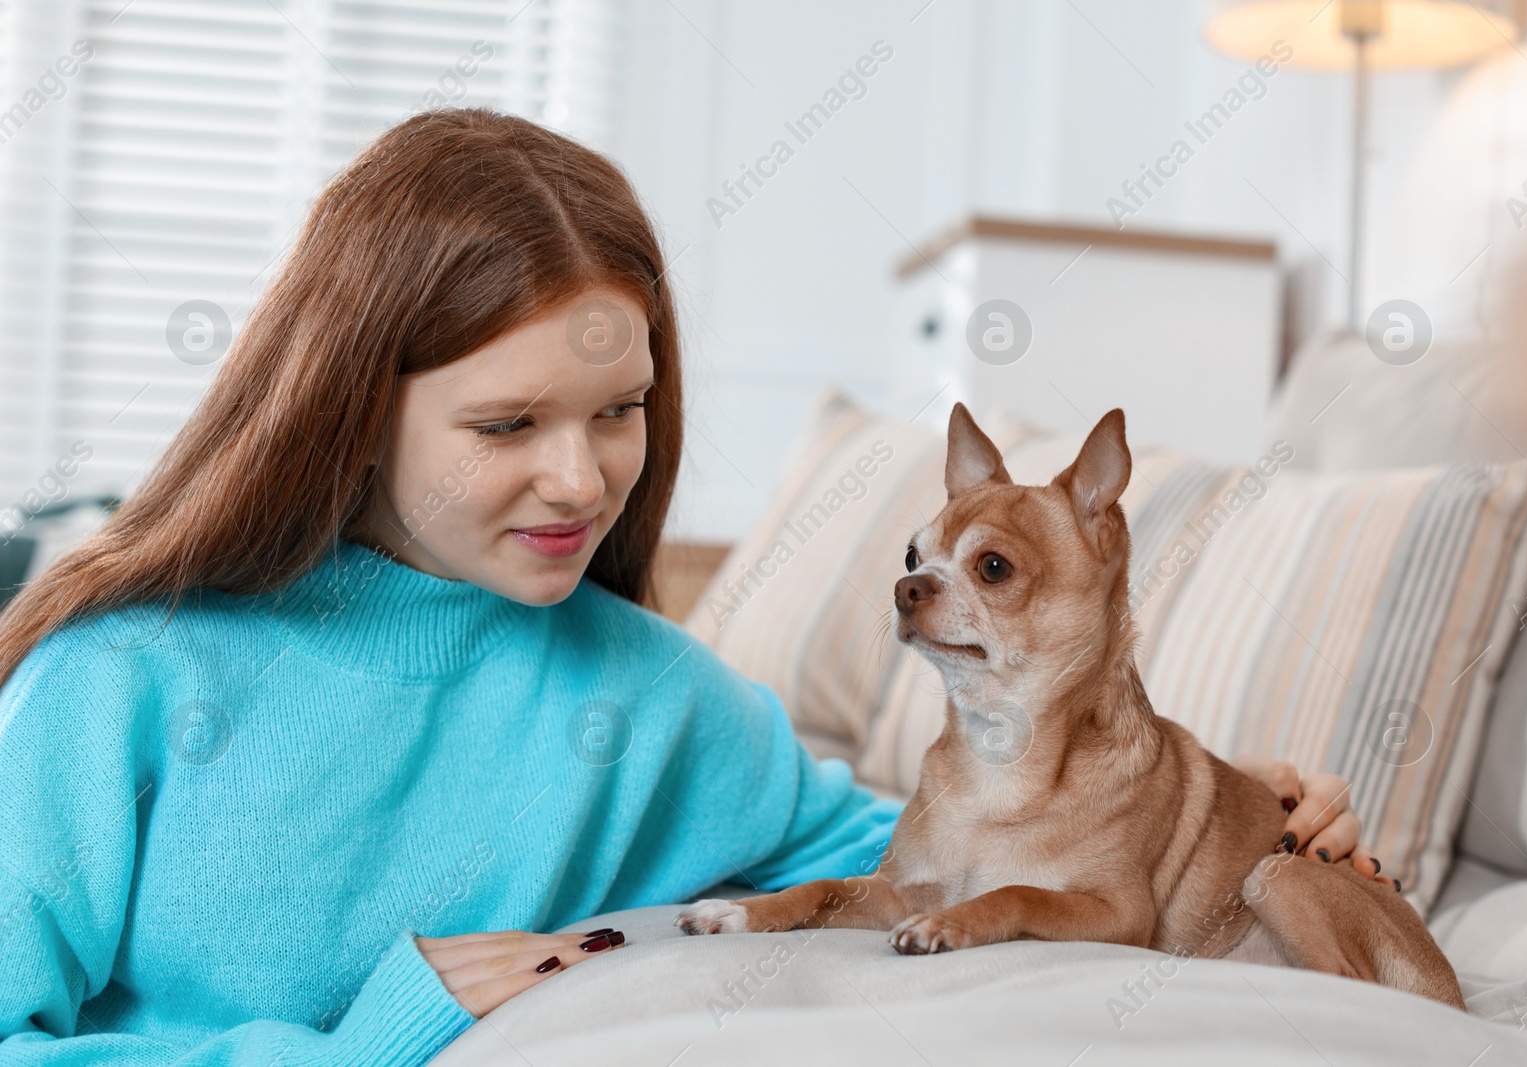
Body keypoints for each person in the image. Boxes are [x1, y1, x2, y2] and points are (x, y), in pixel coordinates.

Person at [0, 109, 1376, 1065]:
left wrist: (1220, 813)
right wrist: (368, 1041)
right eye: (506, 426)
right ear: (350, 410)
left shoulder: (656, 697)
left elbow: (929, 864)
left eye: (621, 411)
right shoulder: (121, 681)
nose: (584, 481)